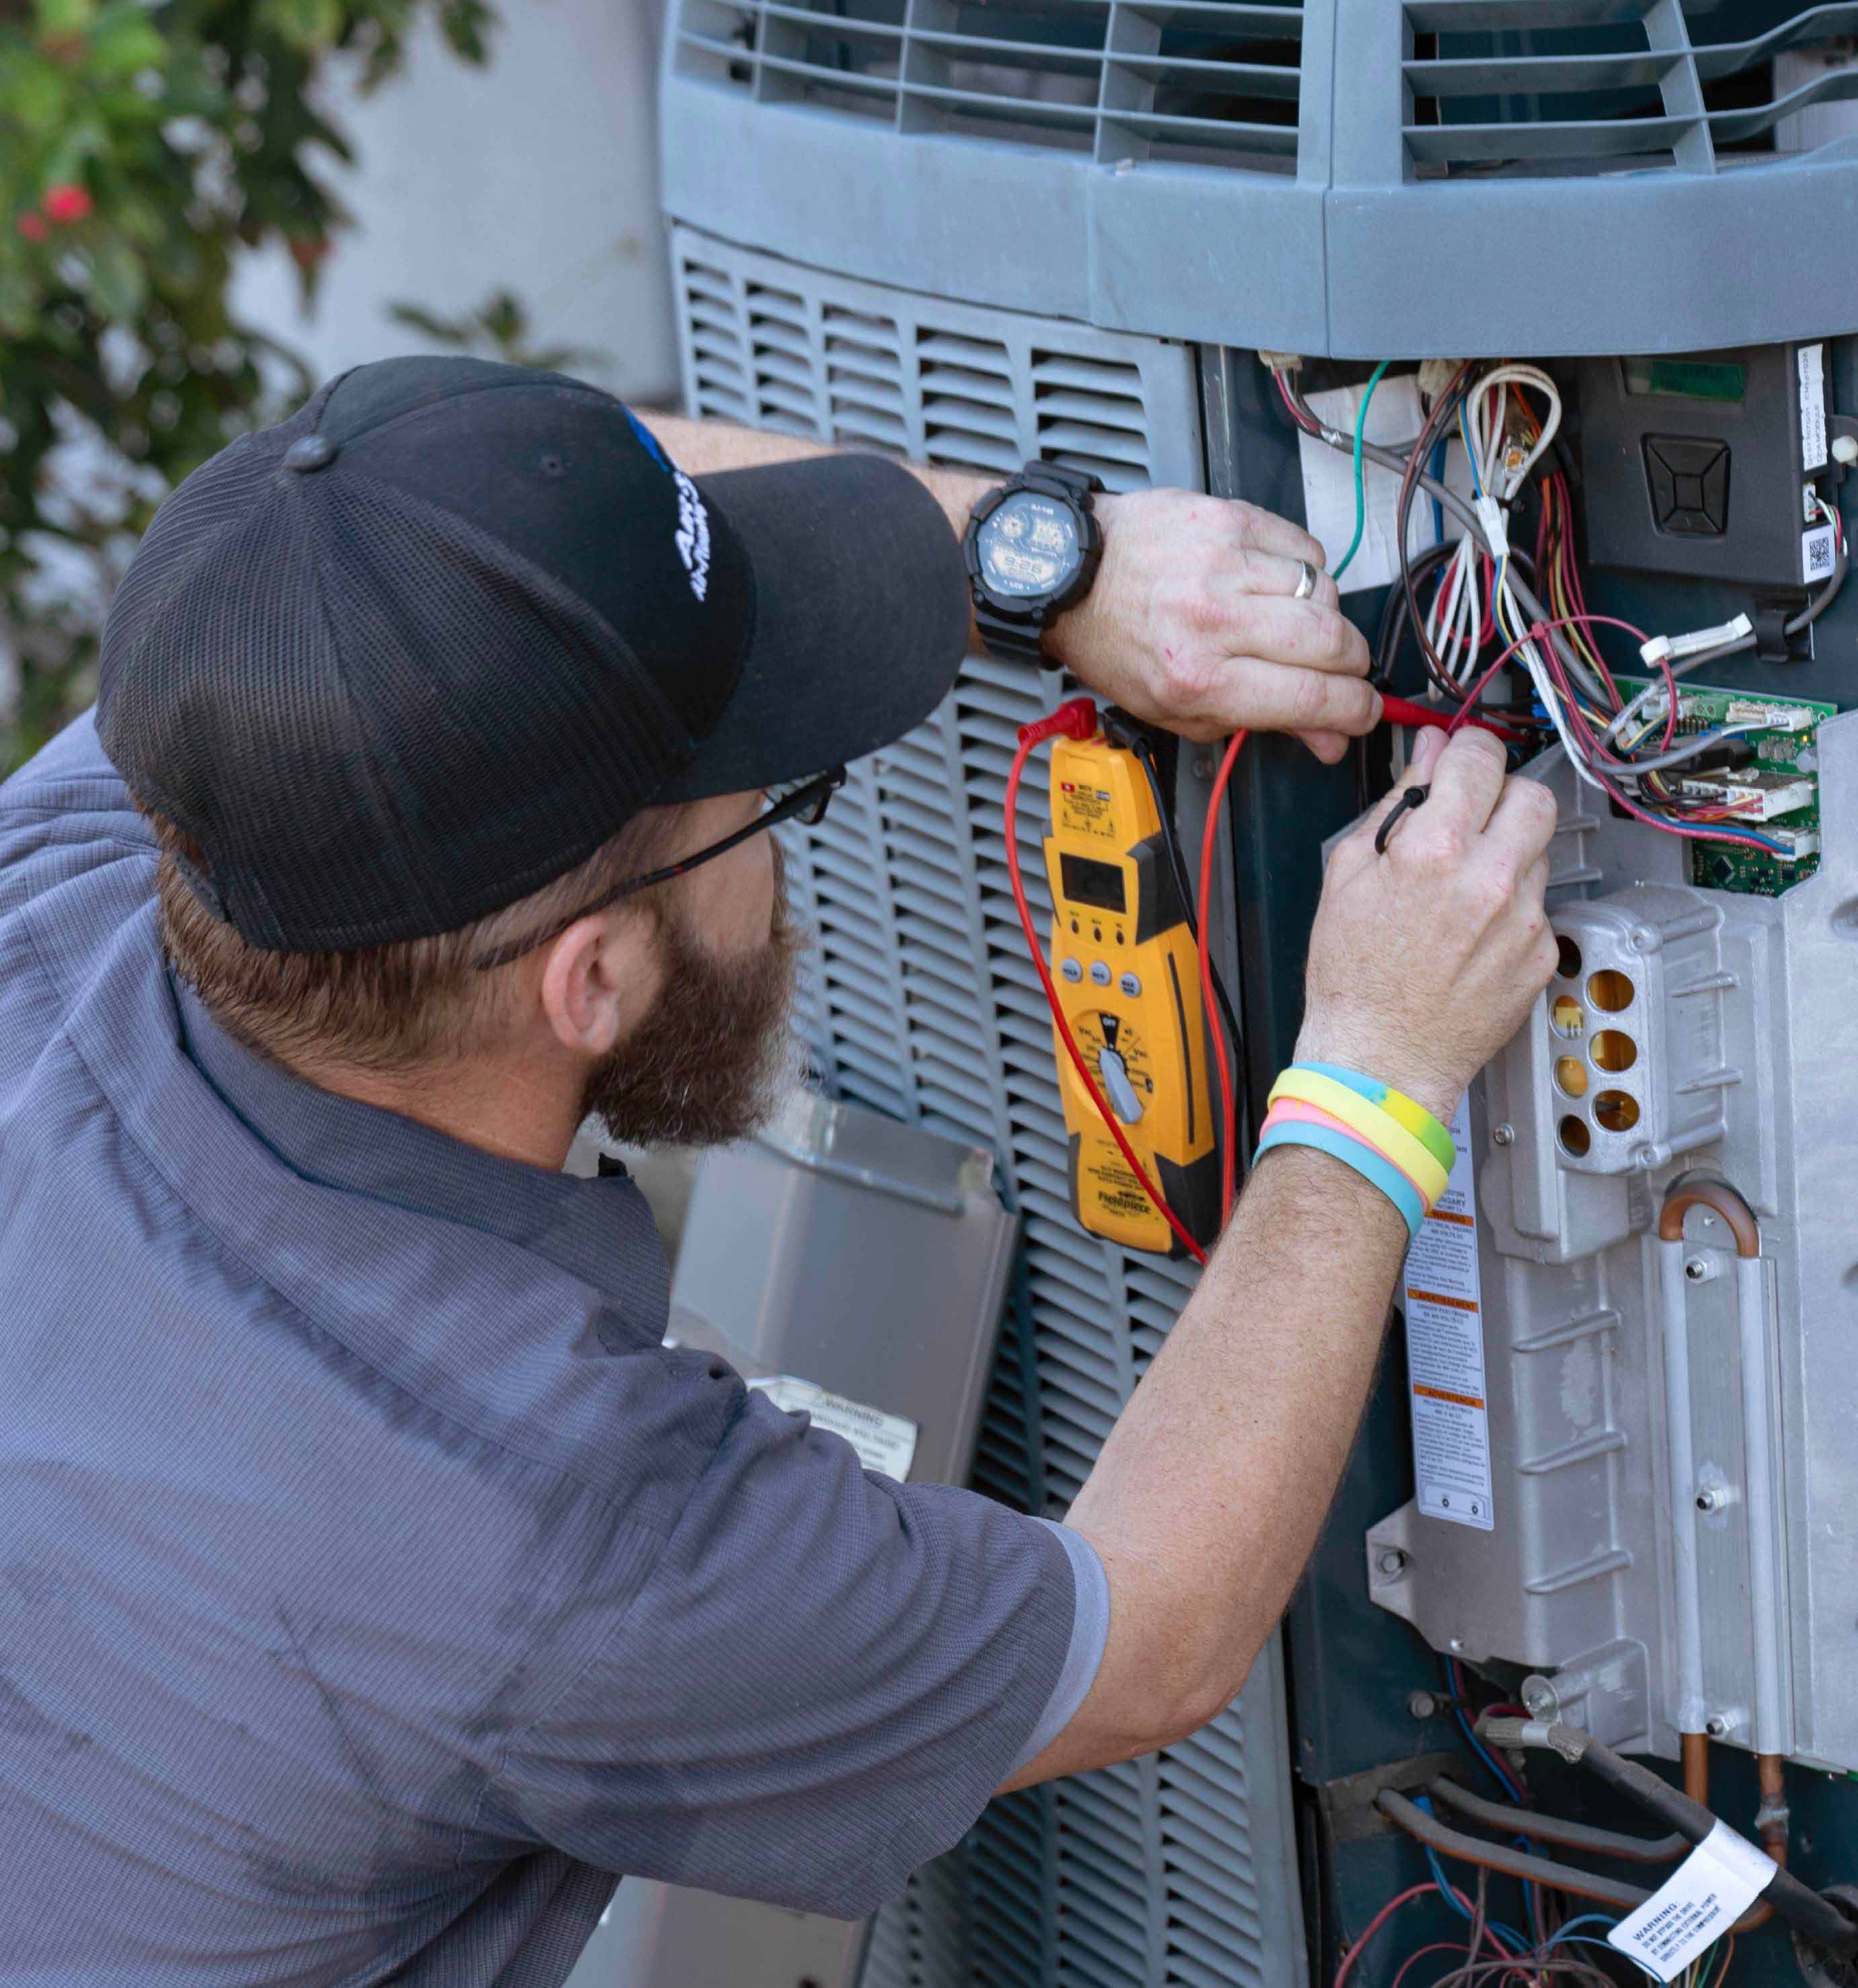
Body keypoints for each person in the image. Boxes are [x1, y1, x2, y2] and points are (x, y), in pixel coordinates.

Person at [0, 357, 1557, 1984]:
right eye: (769, 795)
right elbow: (1148, 1629)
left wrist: (1048, 559)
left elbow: (421, 526)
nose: (781, 846)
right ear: (586, 979)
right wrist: (1375, 1064)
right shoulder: (548, 1524)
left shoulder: (96, 878)